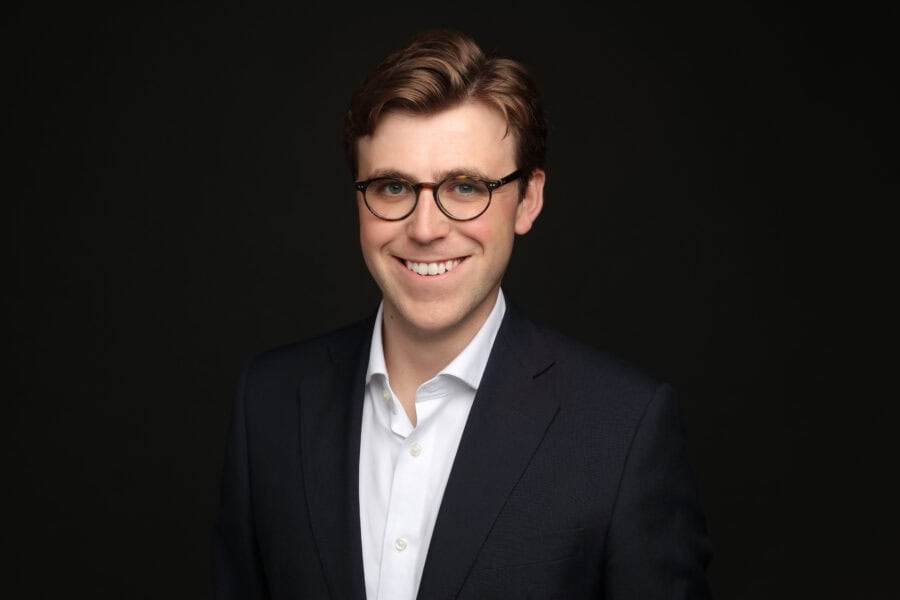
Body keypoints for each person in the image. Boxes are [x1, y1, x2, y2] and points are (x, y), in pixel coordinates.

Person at [212, 29, 712, 599]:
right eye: (394, 186)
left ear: (528, 200)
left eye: (466, 186)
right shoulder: (269, 402)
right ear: (358, 197)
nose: (426, 228)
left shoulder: (623, 430)